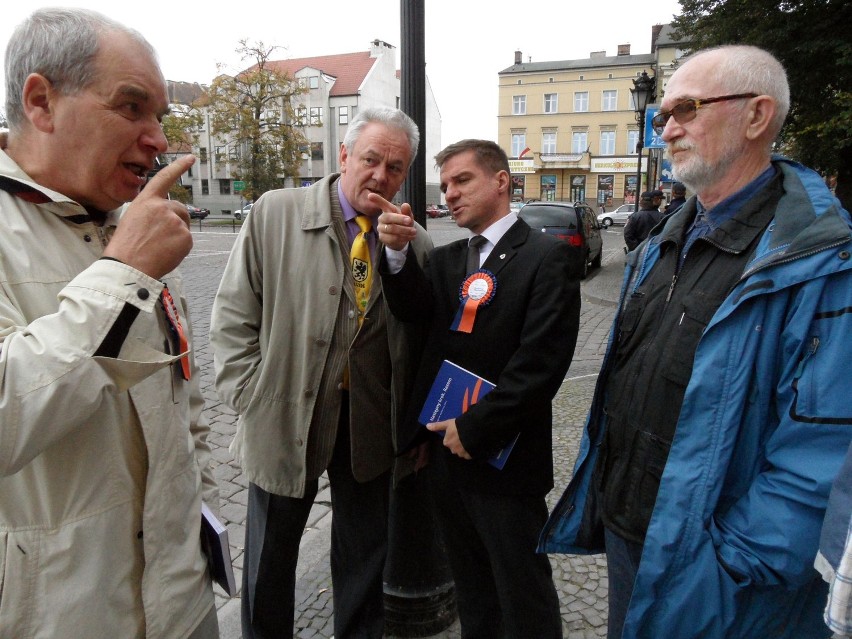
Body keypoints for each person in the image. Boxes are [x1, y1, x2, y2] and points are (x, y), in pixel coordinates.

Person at [540, 44, 852, 639]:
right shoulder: (663, 240)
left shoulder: (823, 263)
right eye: (660, 116)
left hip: (723, 576)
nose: (667, 129)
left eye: (685, 109)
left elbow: (820, 456)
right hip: (636, 534)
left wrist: (729, 568)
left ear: (757, 116)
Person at [0, 8, 219, 639]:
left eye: (161, 117)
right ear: (41, 102)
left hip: (181, 605)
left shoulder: (128, 229)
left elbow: (186, 401)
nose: (156, 138)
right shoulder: (131, 247)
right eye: (131, 108)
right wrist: (123, 272)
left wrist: (198, 512)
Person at [209, 106, 433, 639]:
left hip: (367, 425)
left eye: (396, 167)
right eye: (371, 159)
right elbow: (234, 315)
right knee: (269, 560)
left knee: (363, 559)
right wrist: (250, 396)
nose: (381, 175)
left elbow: (419, 333)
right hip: (285, 414)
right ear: (344, 155)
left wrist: (400, 259)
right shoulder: (275, 212)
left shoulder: (413, 241)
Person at [377, 139, 580, 637]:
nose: (449, 194)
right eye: (445, 185)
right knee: (471, 586)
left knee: (522, 588)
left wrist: (475, 428)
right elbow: (416, 316)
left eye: (462, 180)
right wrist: (398, 254)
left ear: (501, 181)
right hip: (448, 455)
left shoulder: (545, 258)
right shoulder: (448, 259)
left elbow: (541, 365)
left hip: (505, 458)